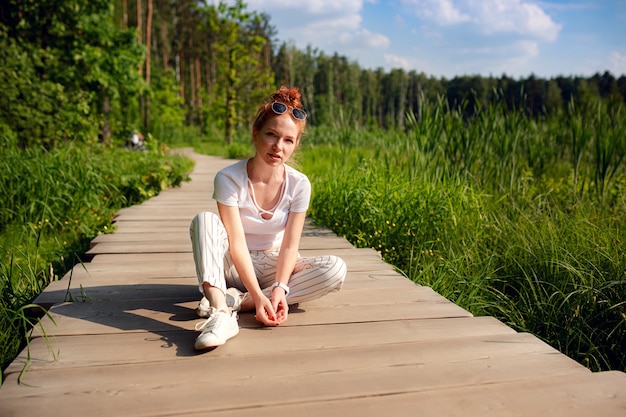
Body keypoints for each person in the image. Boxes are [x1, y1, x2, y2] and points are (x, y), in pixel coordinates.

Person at [189, 86, 347, 350]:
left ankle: (236, 301)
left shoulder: (300, 184)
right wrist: (259, 291)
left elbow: (289, 246)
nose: (278, 147)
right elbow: (236, 243)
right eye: (271, 135)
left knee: (336, 268)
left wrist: (280, 289)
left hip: (274, 262)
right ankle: (221, 314)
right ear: (256, 134)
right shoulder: (228, 178)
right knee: (204, 220)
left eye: (288, 140)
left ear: (296, 144)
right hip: (233, 264)